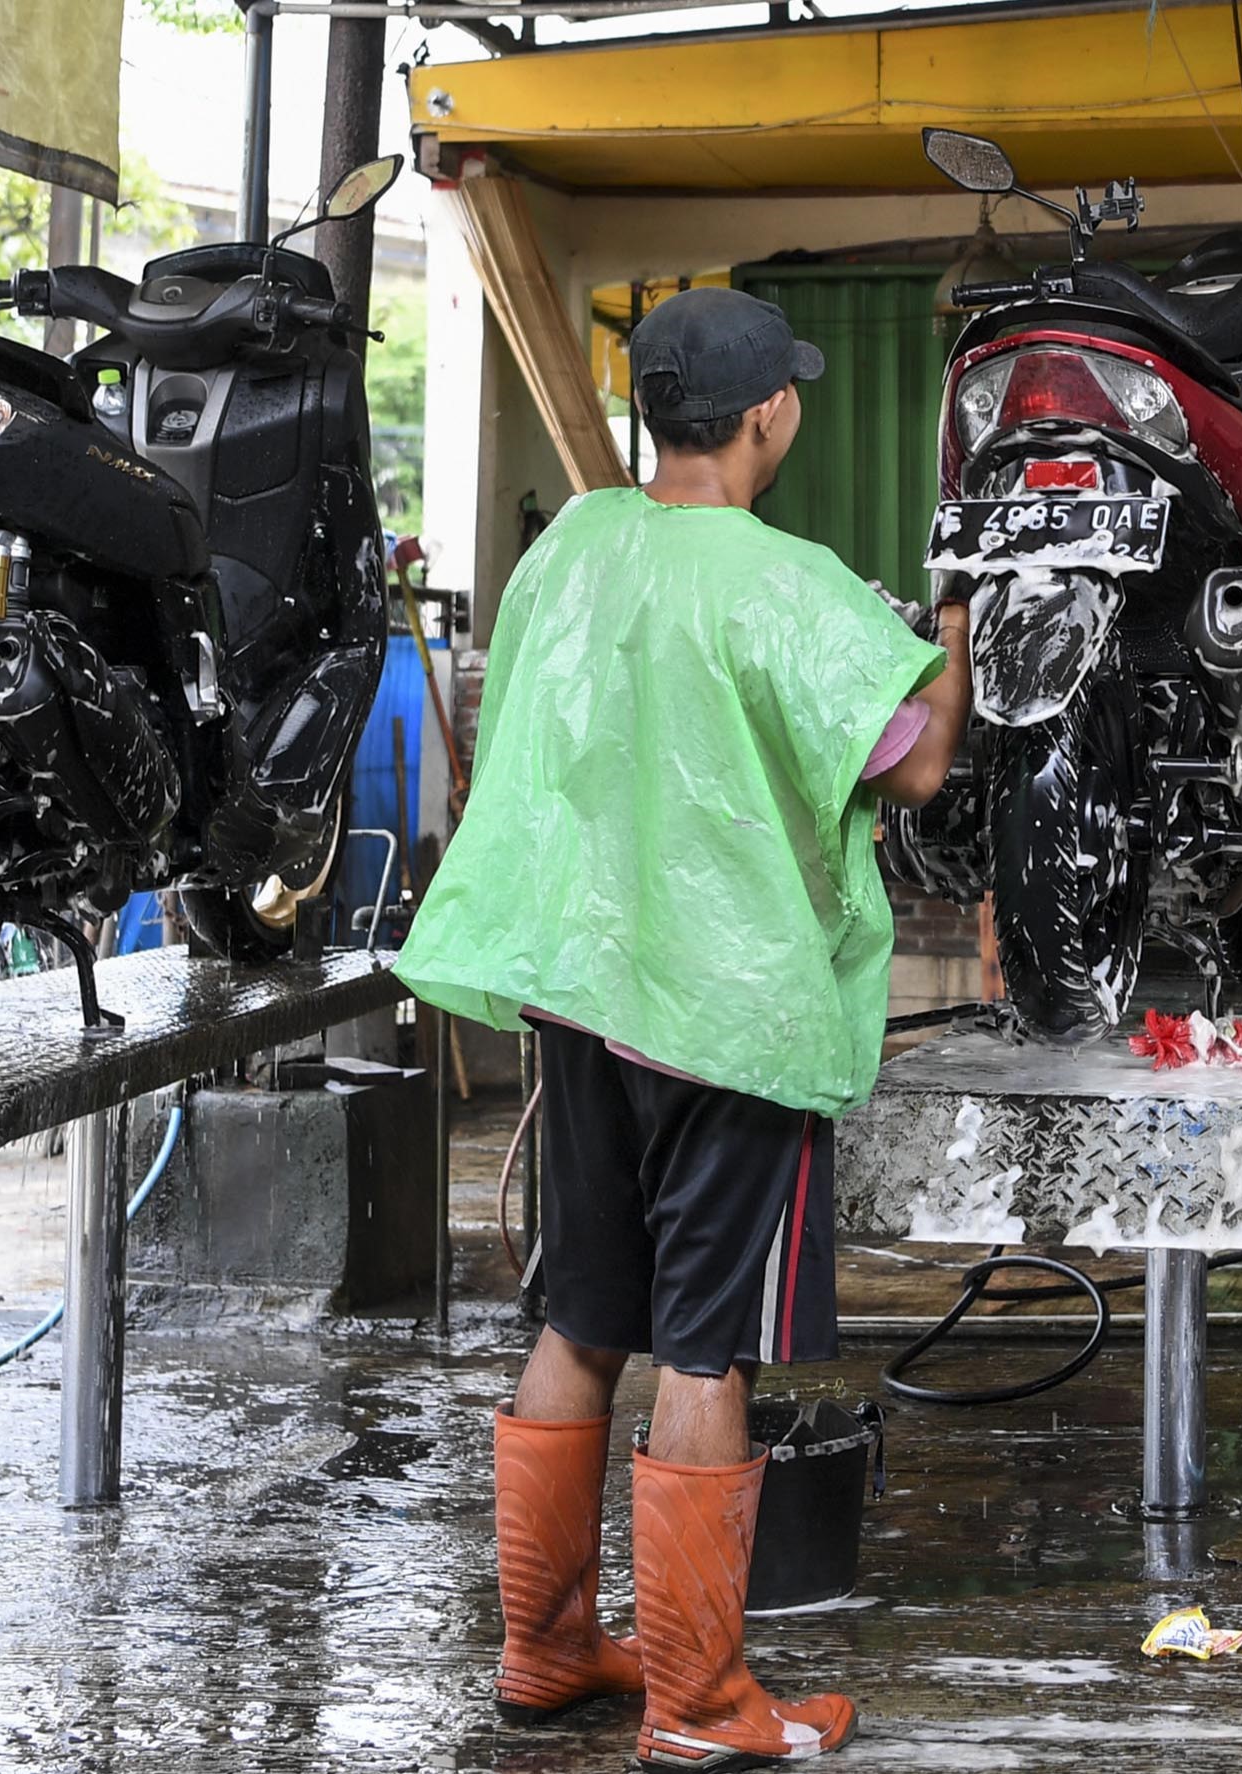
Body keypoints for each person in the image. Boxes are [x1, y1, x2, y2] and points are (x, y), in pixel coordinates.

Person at [395, 286, 971, 1767]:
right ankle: (703, 1701)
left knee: (583, 1313)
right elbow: (914, 770)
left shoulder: (574, 547)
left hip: (582, 993)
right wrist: (953, 639)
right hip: (729, 1020)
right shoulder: (790, 584)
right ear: (767, 414)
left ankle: (544, 1645)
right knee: (706, 1347)